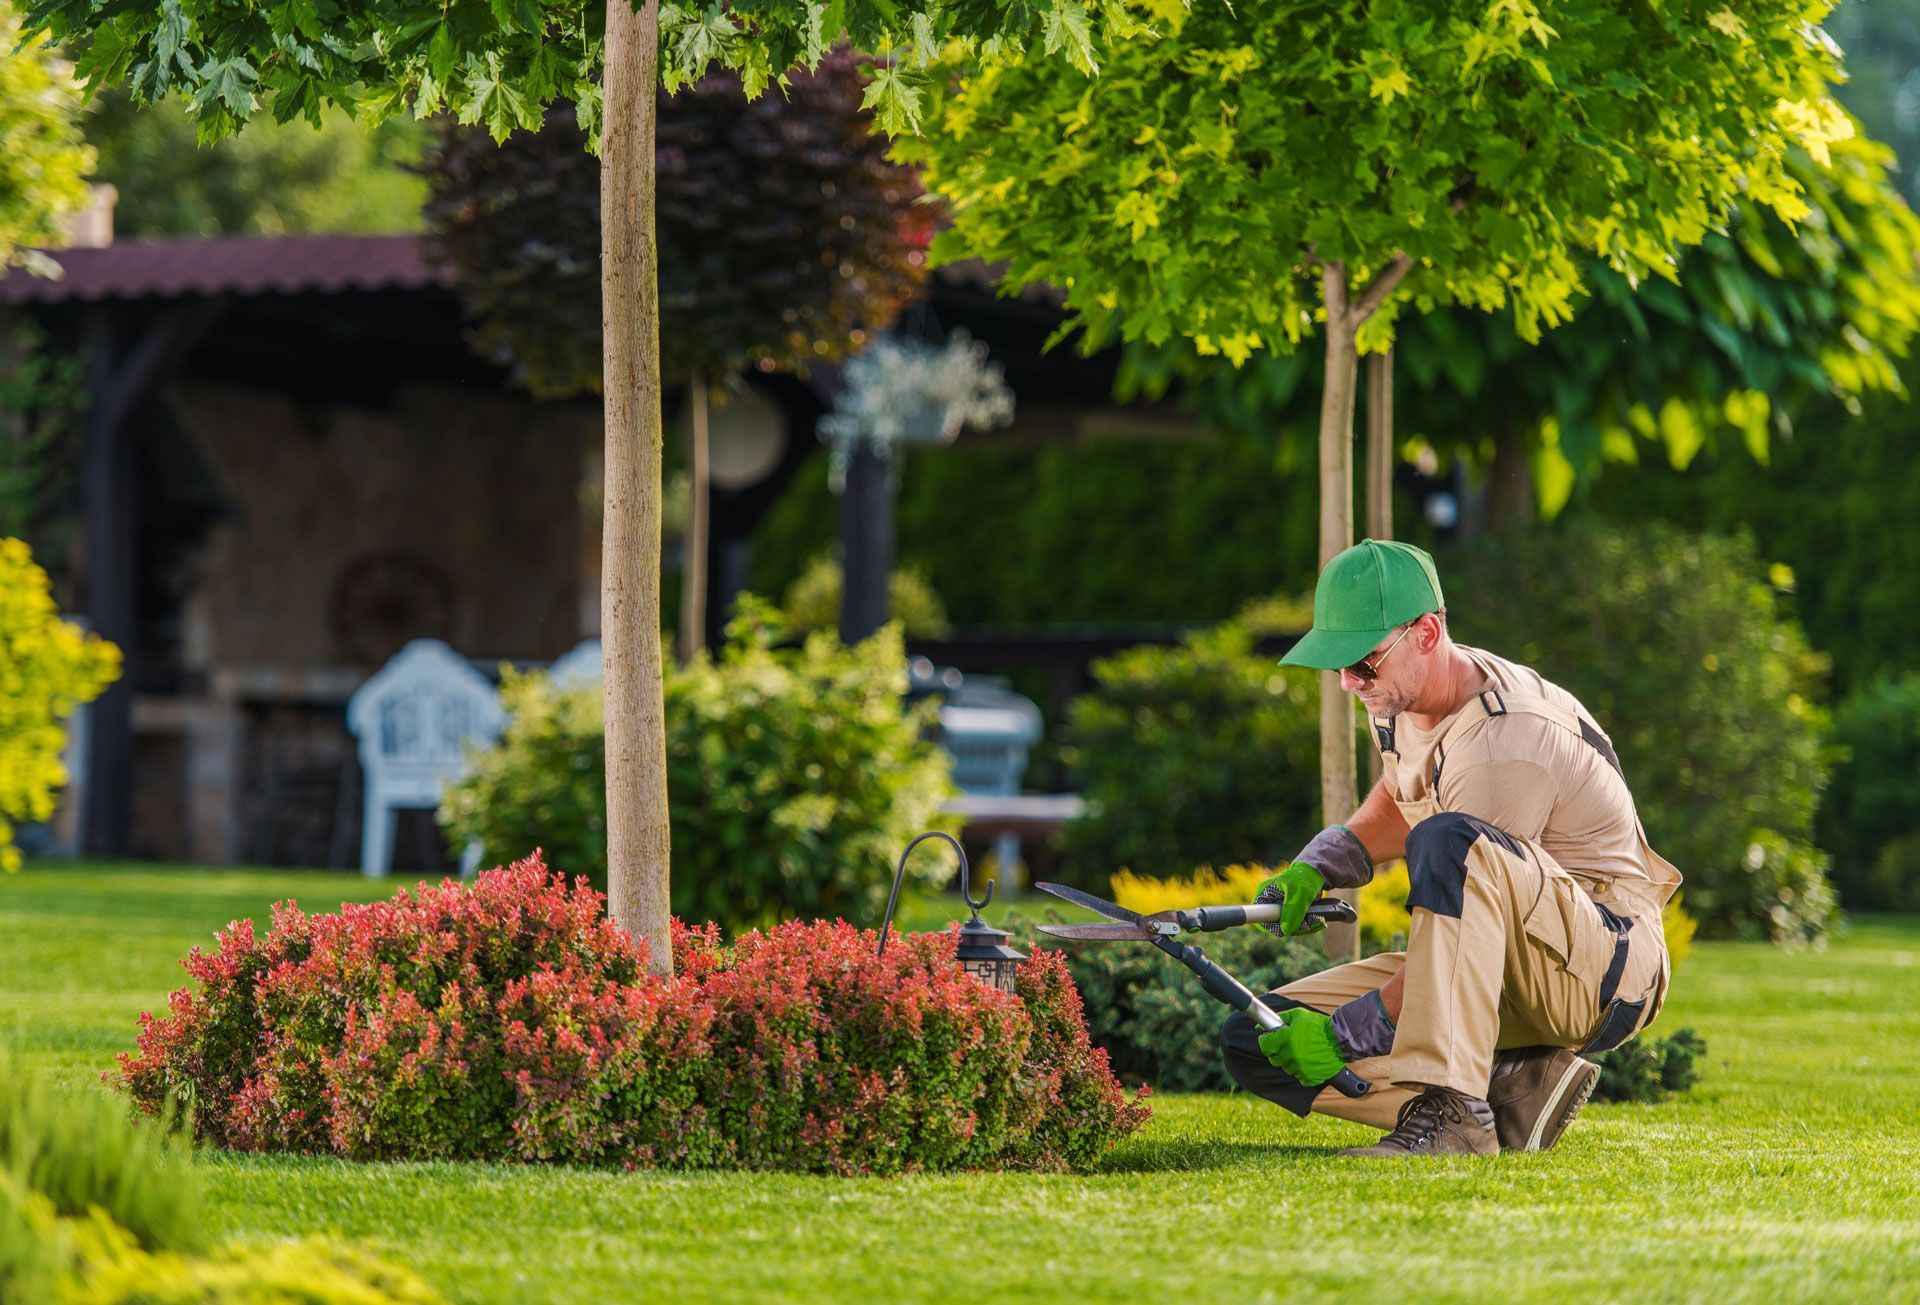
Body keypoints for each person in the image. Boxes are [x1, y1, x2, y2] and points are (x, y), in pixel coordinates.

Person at [1219, 539, 1681, 1157]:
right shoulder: (1402, 693)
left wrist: (1344, 1034)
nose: (1348, 683)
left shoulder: (1505, 742)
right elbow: (1403, 786)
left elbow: (1462, 891)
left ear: (1428, 633)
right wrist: (1328, 859)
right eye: (1338, 664)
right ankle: (1507, 1093)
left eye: (1362, 662)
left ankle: (1457, 1118)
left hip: (1599, 974)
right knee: (1258, 1036)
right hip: (1517, 956)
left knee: (1449, 844)